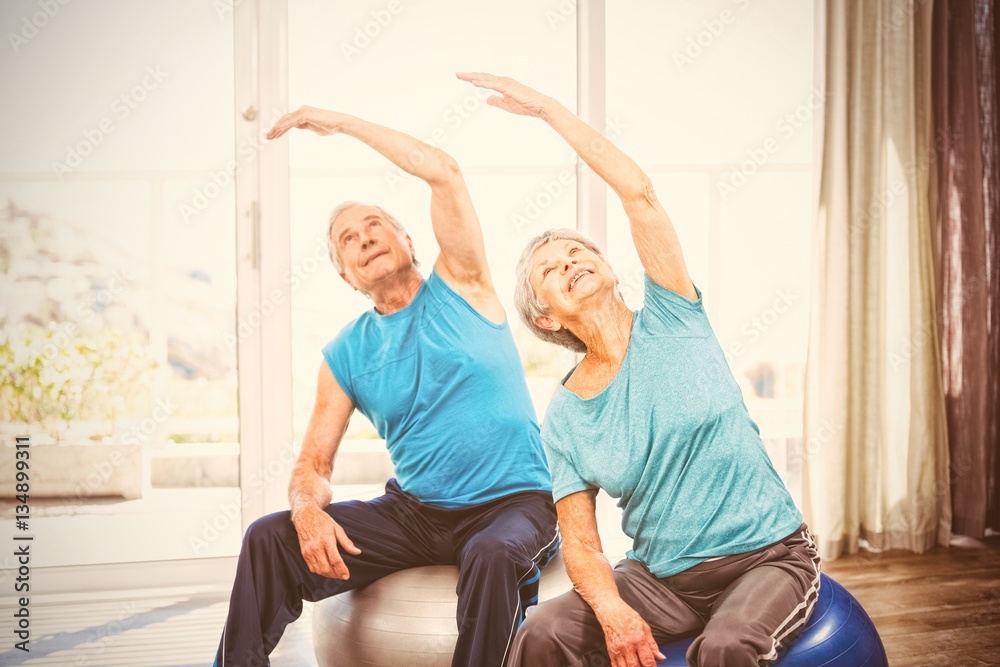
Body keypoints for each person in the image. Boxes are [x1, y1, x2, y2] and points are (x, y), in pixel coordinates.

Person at [456, 73, 821, 667]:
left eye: (578, 250)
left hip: (766, 558)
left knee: (725, 649)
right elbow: (579, 542)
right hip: (663, 581)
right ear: (546, 318)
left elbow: (639, 193)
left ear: (610, 267)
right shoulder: (567, 415)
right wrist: (612, 609)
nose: (570, 259)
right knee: (543, 632)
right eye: (550, 269)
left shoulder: (674, 315)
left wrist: (550, 111)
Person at [213, 104, 559, 667]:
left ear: (409, 240)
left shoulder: (464, 286)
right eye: (347, 238)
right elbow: (313, 465)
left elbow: (443, 169)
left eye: (375, 224)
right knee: (267, 537)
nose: (364, 237)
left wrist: (341, 124)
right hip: (416, 515)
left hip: (513, 502)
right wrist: (306, 509)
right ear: (346, 276)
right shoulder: (345, 353)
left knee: (493, 554)